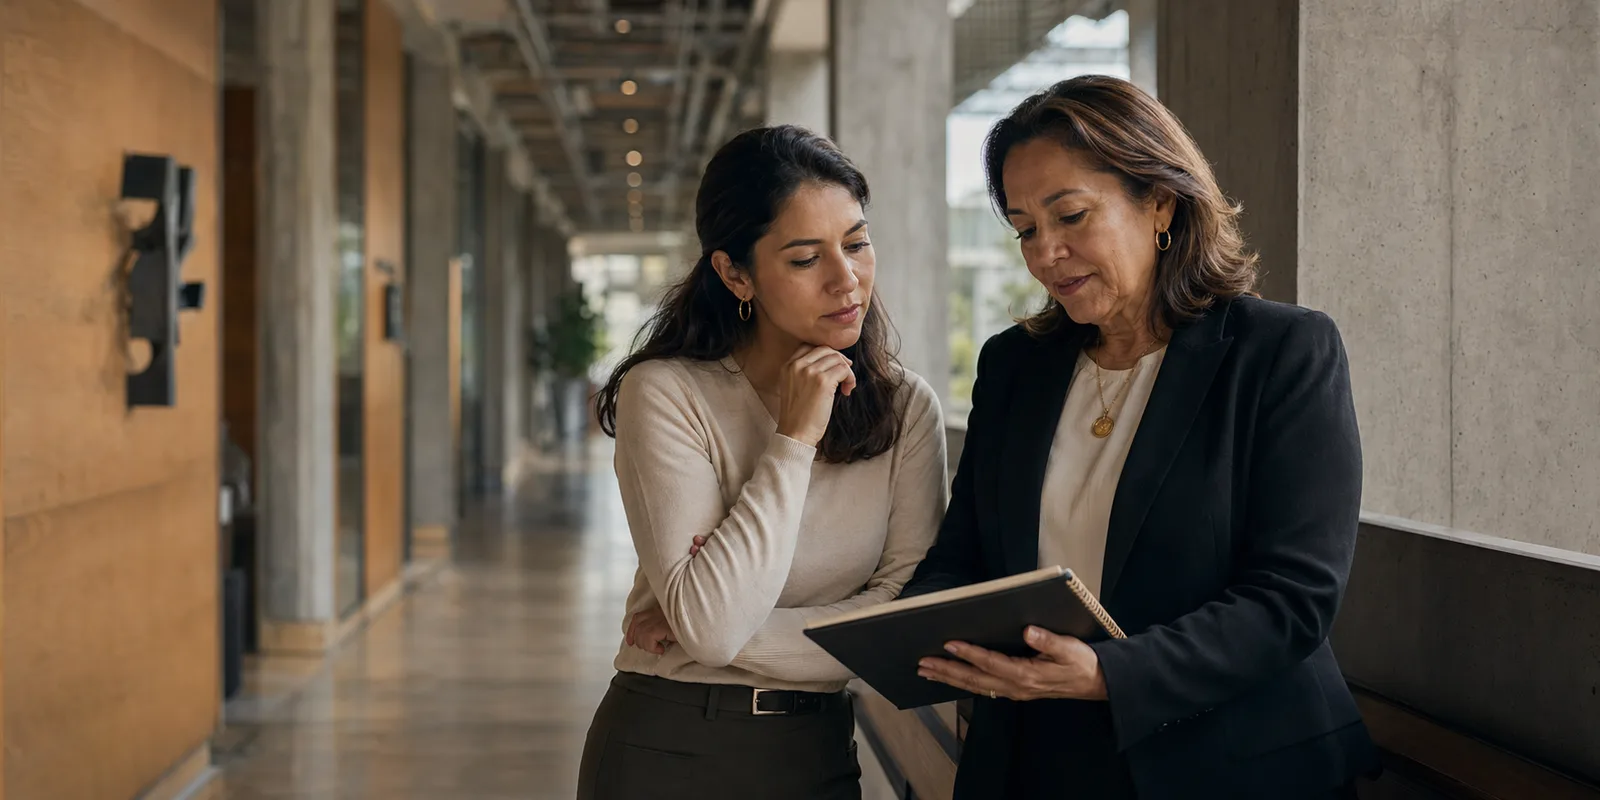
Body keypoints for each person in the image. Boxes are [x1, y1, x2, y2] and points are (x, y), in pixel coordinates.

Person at [903, 75, 1380, 799]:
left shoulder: (1282, 351)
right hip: (1038, 760)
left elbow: (1295, 595)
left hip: (1228, 763)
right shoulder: (1014, 365)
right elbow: (965, 554)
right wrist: (920, 628)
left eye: (1070, 216)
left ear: (1159, 203)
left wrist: (1110, 675)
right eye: (1026, 228)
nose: (1046, 253)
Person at [574, 125, 948, 800]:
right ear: (735, 273)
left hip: (821, 751)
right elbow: (713, 625)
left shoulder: (906, 408)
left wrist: (717, 630)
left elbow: (898, 617)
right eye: (806, 259)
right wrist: (794, 439)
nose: (847, 279)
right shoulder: (666, 393)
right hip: (670, 747)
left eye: (857, 243)